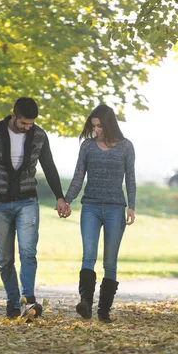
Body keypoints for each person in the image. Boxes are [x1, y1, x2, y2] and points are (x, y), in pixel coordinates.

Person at [0, 97, 69, 319]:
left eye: (31, 123)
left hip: (28, 201)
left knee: (28, 252)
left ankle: (28, 301)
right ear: (13, 115)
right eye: (24, 123)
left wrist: (60, 197)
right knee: (5, 259)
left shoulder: (39, 135)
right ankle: (12, 303)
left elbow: (49, 166)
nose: (28, 127)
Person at [64, 104, 136, 323]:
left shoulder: (125, 146)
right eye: (93, 126)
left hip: (115, 208)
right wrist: (66, 201)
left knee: (110, 262)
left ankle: (104, 311)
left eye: (99, 126)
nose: (96, 130)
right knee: (88, 255)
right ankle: (85, 303)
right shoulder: (87, 146)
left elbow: (130, 178)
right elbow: (78, 176)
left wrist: (131, 206)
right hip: (91, 207)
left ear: (109, 124)